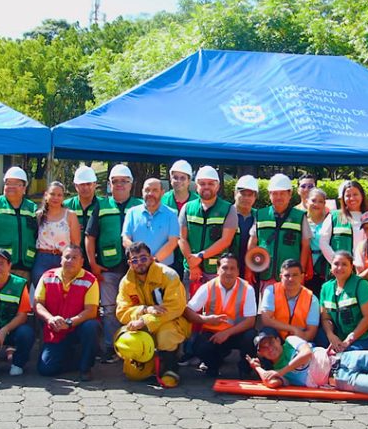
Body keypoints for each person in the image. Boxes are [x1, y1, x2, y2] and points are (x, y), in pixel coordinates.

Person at [84, 164, 143, 363]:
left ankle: (134, 346)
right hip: (107, 268)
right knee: (109, 309)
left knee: (135, 307)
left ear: (131, 184)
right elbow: (90, 236)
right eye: (115, 181)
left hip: (134, 270)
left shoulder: (139, 205)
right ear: (109, 184)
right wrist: (92, 263)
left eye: (123, 181)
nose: (119, 185)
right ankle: (110, 347)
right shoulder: (101, 205)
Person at [116, 241, 190, 387]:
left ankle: (170, 368)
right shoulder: (126, 282)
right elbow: (121, 312)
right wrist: (144, 309)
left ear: (151, 258)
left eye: (143, 258)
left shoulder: (168, 275)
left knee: (166, 334)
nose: (140, 263)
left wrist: (145, 320)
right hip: (141, 325)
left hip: (171, 322)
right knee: (134, 374)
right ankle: (150, 365)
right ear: (130, 263)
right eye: (135, 260)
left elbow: (175, 307)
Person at [183, 254, 257, 378]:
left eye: (232, 268)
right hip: (213, 334)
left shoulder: (247, 289)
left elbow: (250, 321)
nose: (228, 272)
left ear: (238, 271)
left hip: (236, 334)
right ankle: (213, 366)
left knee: (251, 337)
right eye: (225, 268)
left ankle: (245, 369)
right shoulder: (207, 287)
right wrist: (205, 319)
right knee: (198, 345)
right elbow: (188, 311)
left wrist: (227, 333)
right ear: (218, 270)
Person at [35, 245, 100, 380]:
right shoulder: (47, 277)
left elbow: (91, 311)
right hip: (55, 330)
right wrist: (50, 319)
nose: (70, 260)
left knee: (92, 326)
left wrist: (69, 323)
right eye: (67, 257)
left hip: (77, 328)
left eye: (74, 258)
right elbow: (38, 304)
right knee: (46, 369)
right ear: (61, 260)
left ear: (82, 262)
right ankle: (73, 358)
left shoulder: (90, 280)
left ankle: (85, 368)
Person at [247, 173, 312, 294]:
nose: (279, 197)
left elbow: (306, 246)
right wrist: (249, 268)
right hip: (265, 272)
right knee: (267, 308)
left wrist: (301, 272)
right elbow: (253, 242)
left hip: (291, 275)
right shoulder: (260, 215)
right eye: (275, 193)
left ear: (289, 194)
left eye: (282, 193)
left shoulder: (299, 216)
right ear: (270, 195)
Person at [320, 251, 368, 352]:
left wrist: (348, 340)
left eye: (344, 264)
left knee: (348, 353)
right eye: (336, 264)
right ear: (330, 268)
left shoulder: (361, 285)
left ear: (351, 268)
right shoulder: (326, 288)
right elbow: (325, 318)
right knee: (318, 339)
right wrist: (331, 336)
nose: (339, 268)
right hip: (343, 337)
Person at [0, 166, 39, 281]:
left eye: (16, 184)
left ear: (24, 188)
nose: (11, 187)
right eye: (8, 183)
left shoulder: (32, 208)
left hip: (24, 268)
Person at [179, 165, 236, 287]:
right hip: (191, 269)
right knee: (190, 305)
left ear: (218, 186)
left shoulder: (229, 209)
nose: (206, 187)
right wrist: (193, 264)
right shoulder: (187, 208)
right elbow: (181, 238)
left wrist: (200, 256)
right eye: (202, 183)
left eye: (211, 183)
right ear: (196, 186)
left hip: (215, 270)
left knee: (215, 306)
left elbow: (226, 240)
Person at [319, 180, 368, 292]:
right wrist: (337, 264)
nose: (352, 198)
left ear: (362, 196)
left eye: (355, 194)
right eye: (348, 195)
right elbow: (323, 242)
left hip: (362, 270)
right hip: (337, 272)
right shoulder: (334, 216)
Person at [122, 178, 180, 268]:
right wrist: (140, 260)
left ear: (162, 193)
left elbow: (173, 242)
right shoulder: (132, 212)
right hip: (138, 268)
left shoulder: (172, 214)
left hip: (163, 269)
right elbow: (125, 240)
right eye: (147, 190)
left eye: (155, 190)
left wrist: (153, 261)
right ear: (142, 192)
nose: (150, 194)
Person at [31, 181, 82, 283]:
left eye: (59, 195)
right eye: (52, 194)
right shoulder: (38, 215)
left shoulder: (70, 215)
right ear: (46, 195)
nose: (56, 198)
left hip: (64, 259)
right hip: (42, 259)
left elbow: (76, 243)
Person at [260, 259, 320, 342]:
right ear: (281, 277)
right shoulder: (271, 291)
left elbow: (311, 331)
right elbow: (266, 320)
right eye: (287, 275)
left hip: (300, 339)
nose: (291, 279)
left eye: (295, 275)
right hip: (277, 337)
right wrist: (293, 329)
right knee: (266, 332)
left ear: (302, 277)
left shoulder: (312, 299)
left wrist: (298, 345)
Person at [162, 160, 198, 275]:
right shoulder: (163, 200)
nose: (178, 181)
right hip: (167, 254)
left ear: (189, 181)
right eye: (175, 177)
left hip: (190, 253)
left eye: (182, 178)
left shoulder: (197, 202)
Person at [64, 165, 100, 253]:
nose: (85, 188)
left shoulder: (103, 205)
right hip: (72, 256)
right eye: (82, 184)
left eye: (89, 184)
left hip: (97, 256)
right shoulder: (66, 205)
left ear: (95, 184)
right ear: (76, 186)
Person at [230, 175, 259, 271]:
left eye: (250, 195)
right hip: (229, 267)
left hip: (253, 268)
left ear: (255, 197)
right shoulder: (226, 214)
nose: (246, 198)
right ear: (235, 193)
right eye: (243, 194)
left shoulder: (259, 217)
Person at [305, 188, 331, 294]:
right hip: (307, 266)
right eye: (313, 200)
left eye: (321, 201)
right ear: (307, 201)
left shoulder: (329, 221)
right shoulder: (302, 220)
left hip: (324, 267)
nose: (317, 204)